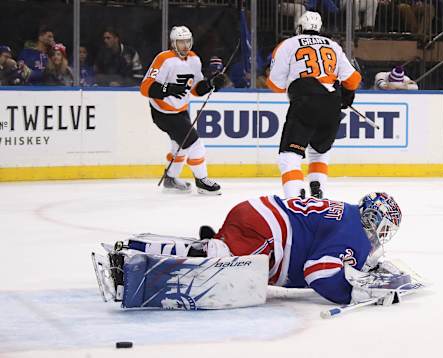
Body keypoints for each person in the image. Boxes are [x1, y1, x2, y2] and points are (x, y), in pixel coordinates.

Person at [100, 192, 404, 305]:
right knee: (214, 263)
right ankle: (131, 265)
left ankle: (138, 246)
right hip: (267, 230)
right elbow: (318, 273)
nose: (382, 237)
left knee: (213, 252)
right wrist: (354, 294)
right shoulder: (356, 234)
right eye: (384, 229)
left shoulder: (348, 214)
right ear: (374, 220)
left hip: (259, 215)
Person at [266, 11, 362, 199]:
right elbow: (353, 79)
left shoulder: (288, 44)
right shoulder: (333, 45)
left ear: (299, 28)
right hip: (332, 104)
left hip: (305, 101)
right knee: (319, 150)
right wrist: (346, 94)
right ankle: (318, 191)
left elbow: (276, 86)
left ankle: (295, 199)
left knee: (289, 156)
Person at [139, 26, 226, 195]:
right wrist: (169, 89)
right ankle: (202, 180)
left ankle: (170, 179)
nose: (185, 45)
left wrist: (210, 84)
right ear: (173, 43)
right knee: (195, 144)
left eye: (187, 41)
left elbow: (195, 89)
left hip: (181, 111)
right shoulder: (163, 59)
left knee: (180, 145)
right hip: (163, 113)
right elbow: (145, 87)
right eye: (181, 42)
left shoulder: (194, 59)